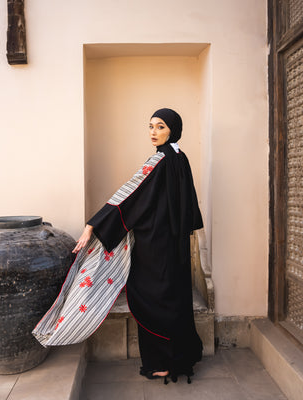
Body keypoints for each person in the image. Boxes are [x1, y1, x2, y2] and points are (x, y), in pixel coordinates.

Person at [72, 108, 204, 384]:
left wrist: (93, 224)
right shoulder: (181, 158)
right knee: (174, 298)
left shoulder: (158, 161)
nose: (153, 133)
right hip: (175, 244)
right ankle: (180, 357)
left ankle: (163, 363)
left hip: (155, 246)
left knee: (151, 299)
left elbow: (129, 194)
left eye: (161, 127)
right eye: (151, 127)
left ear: (173, 130)